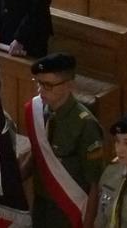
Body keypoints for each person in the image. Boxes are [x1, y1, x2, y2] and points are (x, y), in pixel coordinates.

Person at [25, 52, 105, 228]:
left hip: (69, 208)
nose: (40, 90)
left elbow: (94, 183)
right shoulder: (39, 112)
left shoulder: (85, 125)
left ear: (69, 85)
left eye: (48, 85)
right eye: (38, 83)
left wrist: (87, 224)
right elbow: (37, 154)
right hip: (41, 202)